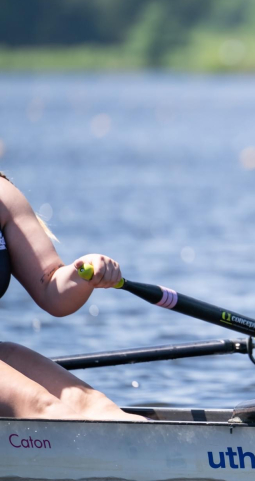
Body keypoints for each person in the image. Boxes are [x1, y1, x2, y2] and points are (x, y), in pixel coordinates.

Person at [0, 173, 145, 421]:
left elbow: (50, 288)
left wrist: (84, 271)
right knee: (42, 407)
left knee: (96, 406)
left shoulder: (5, 195)